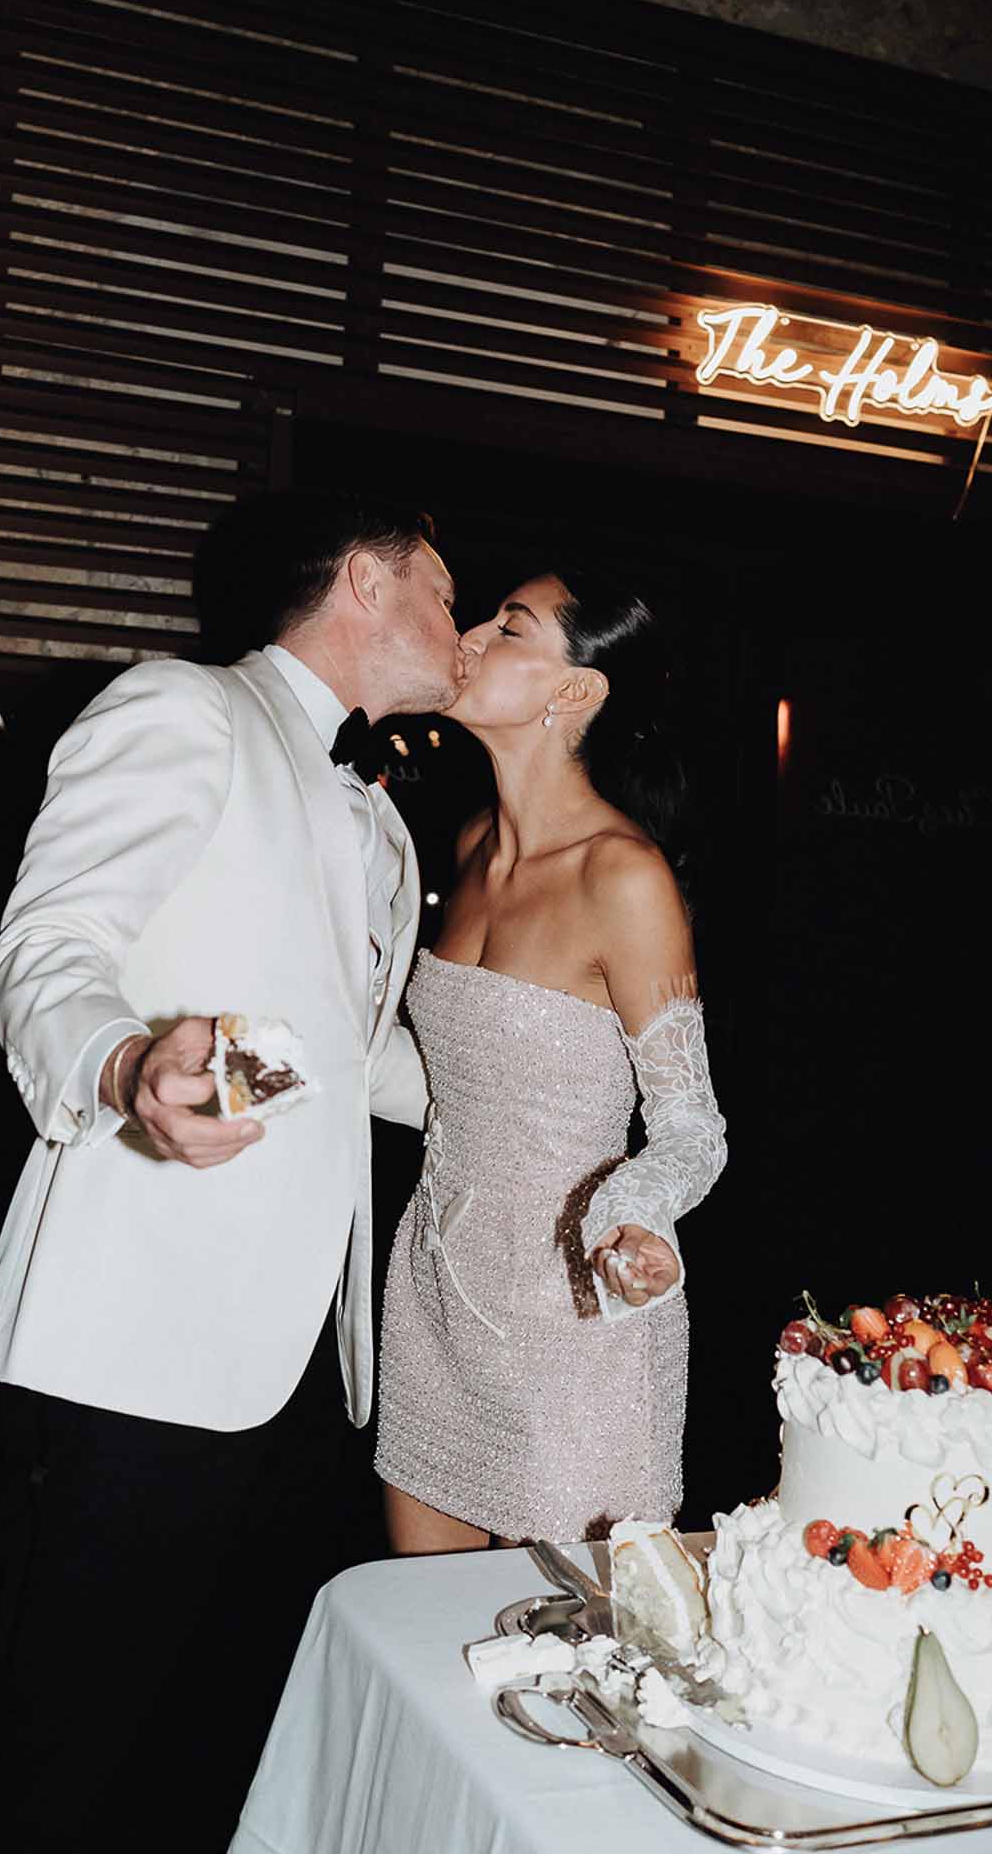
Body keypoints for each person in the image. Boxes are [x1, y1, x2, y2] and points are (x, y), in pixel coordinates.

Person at [0, 493, 464, 1851]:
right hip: (137, 1341)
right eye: (440, 591)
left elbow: (339, 1058)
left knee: (211, 1749)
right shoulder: (184, 709)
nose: (459, 627)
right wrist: (126, 1063)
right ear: (365, 582)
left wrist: (537, 1106)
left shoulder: (382, 819)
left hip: (309, 1356)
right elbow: (47, 949)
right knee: (58, 1754)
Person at [375, 566, 726, 1550]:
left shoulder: (623, 875)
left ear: (576, 689)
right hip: (436, 1289)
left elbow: (692, 1127)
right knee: (423, 1624)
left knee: (566, 1640)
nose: (470, 635)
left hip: (574, 1308)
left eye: (509, 627)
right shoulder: (470, 844)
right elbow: (455, 1084)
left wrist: (630, 1214)